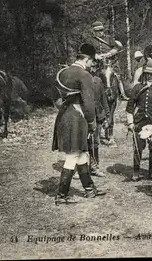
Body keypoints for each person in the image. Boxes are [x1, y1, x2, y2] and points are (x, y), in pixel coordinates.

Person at [52, 43, 106, 205]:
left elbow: (56, 98)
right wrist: (92, 122)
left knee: (81, 153)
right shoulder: (85, 75)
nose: (92, 65)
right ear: (88, 59)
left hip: (64, 116)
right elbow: (89, 103)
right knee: (73, 155)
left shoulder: (62, 73)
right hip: (78, 117)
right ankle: (61, 195)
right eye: (92, 62)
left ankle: (89, 189)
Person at [86, 21, 128, 101]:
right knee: (88, 77)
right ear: (94, 31)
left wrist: (109, 53)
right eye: (97, 31)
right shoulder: (90, 41)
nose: (99, 32)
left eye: (101, 30)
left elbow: (116, 48)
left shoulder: (108, 38)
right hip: (96, 63)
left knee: (118, 77)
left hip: (111, 62)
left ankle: (122, 93)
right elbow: (87, 51)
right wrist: (95, 56)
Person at [88, 61, 110, 177]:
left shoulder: (98, 80)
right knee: (83, 142)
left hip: (97, 115)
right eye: (91, 66)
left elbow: (103, 99)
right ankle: (80, 168)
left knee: (96, 142)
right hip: (85, 115)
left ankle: (95, 167)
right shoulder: (82, 79)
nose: (92, 68)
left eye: (95, 66)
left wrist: (107, 115)